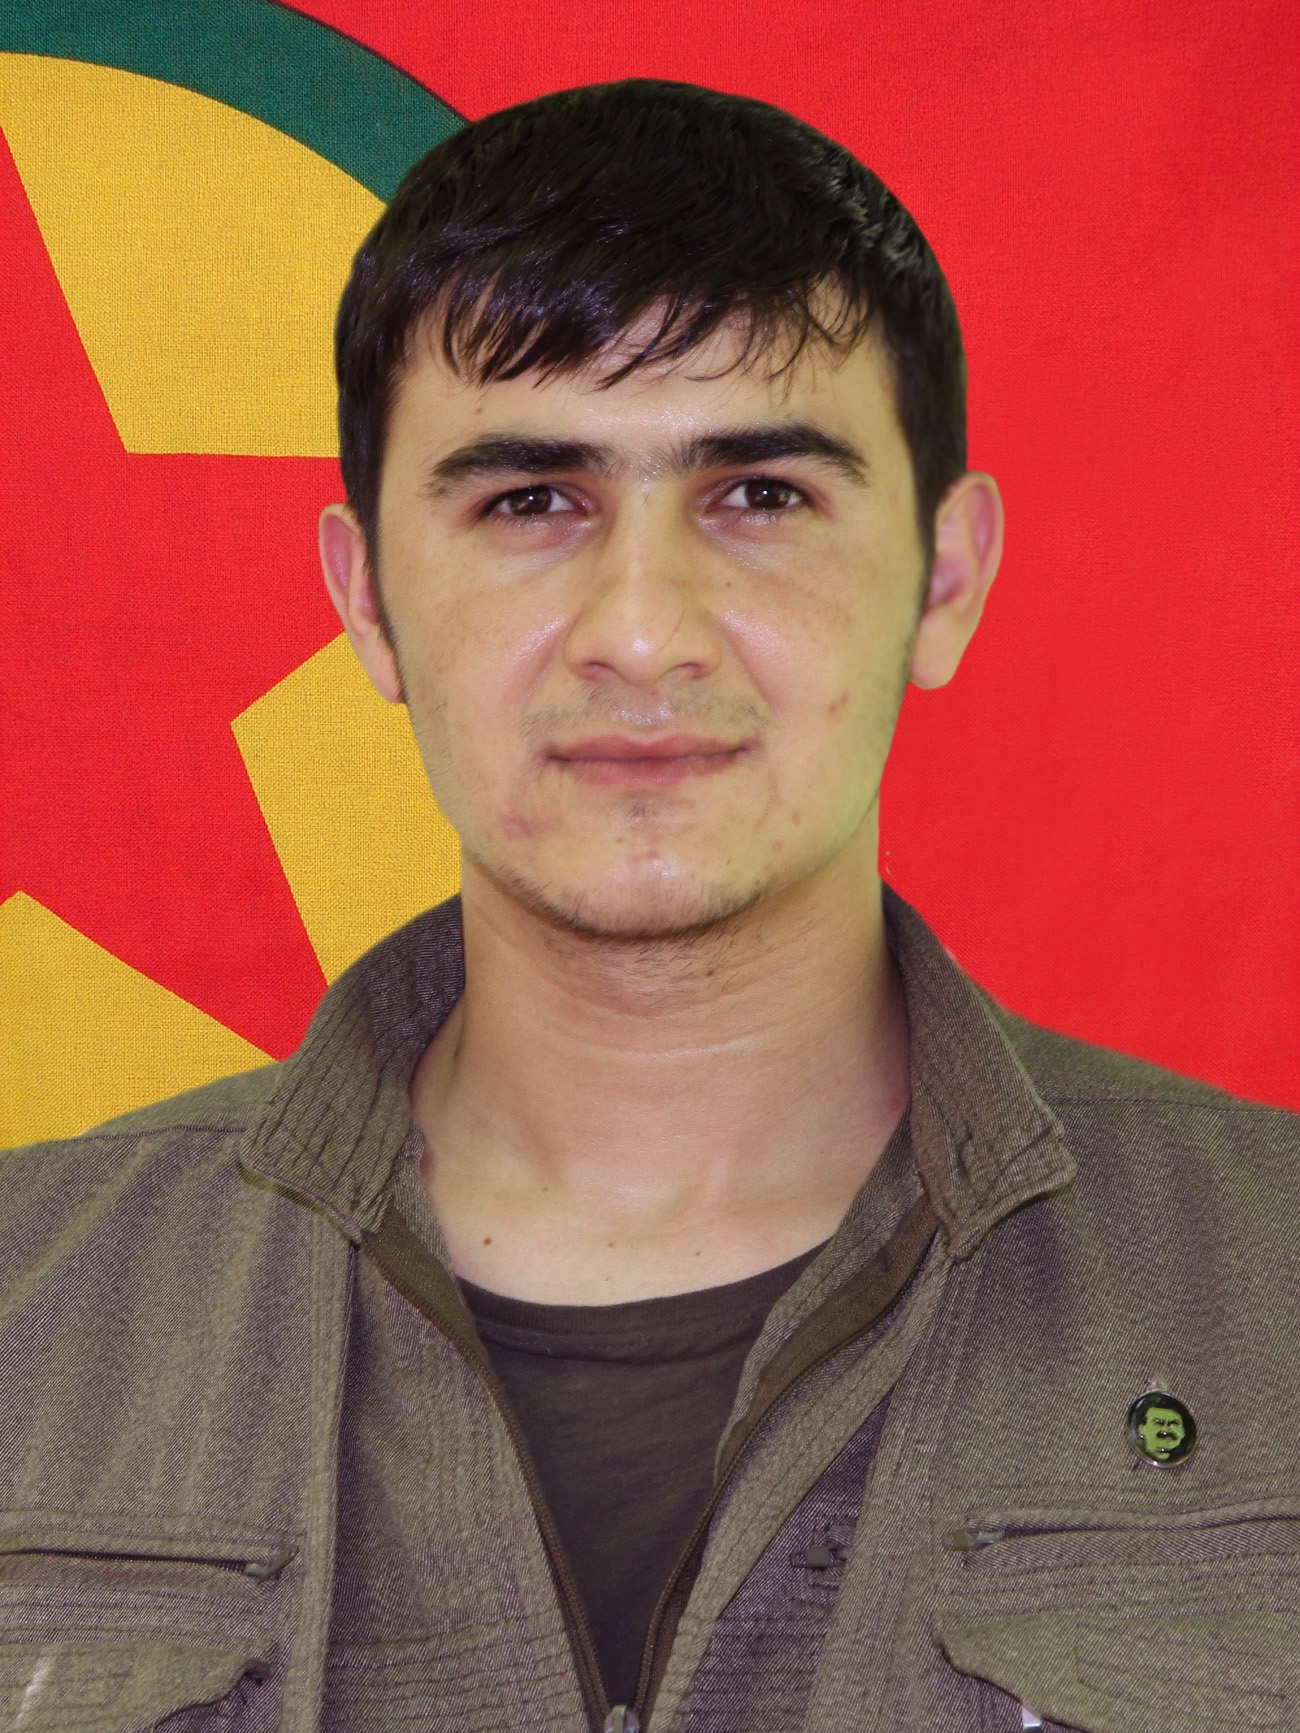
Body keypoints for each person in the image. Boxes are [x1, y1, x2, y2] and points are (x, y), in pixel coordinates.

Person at [2, 77, 1298, 1733]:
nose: (640, 630)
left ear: (945, 577)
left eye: (760, 496)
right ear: (368, 599)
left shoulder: (1274, 1282)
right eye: (530, 501)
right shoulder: (26, 1315)